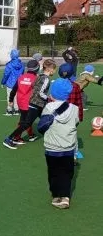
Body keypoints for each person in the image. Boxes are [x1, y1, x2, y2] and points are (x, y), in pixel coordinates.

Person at [41, 78, 79, 209]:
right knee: (67, 172)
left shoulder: (48, 107)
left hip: (52, 147)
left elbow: (43, 124)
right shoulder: (74, 108)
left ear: (52, 94)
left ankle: (56, 194)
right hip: (68, 147)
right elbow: (76, 122)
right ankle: (66, 196)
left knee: (53, 171)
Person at [3, 59, 57, 149]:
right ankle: (9, 138)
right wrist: (49, 99)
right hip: (35, 104)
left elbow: (33, 89)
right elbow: (39, 93)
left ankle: (54, 137)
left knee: (47, 119)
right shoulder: (44, 78)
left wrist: (12, 99)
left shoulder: (37, 76)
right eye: (54, 69)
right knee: (27, 123)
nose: (55, 72)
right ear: (50, 69)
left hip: (32, 103)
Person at [5, 59, 40, 145]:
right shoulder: (36, 78)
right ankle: (16, 137)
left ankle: (30, 135)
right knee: (26, 122)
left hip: (20, 103)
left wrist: (10, 100)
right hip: (30, 104)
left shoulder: (21, 77)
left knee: (25, 119)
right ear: (37, 69)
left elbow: (14, 90)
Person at [1, 49, 24, 115]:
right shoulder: (21, 64)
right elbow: (22, 73)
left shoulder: (9, 65)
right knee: (16, 96)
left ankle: (9, 109)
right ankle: (17, 110)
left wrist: (3, 82)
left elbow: (6, 74)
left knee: (10, 96)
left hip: (10, 83)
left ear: (11, 55)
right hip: (18, 83)